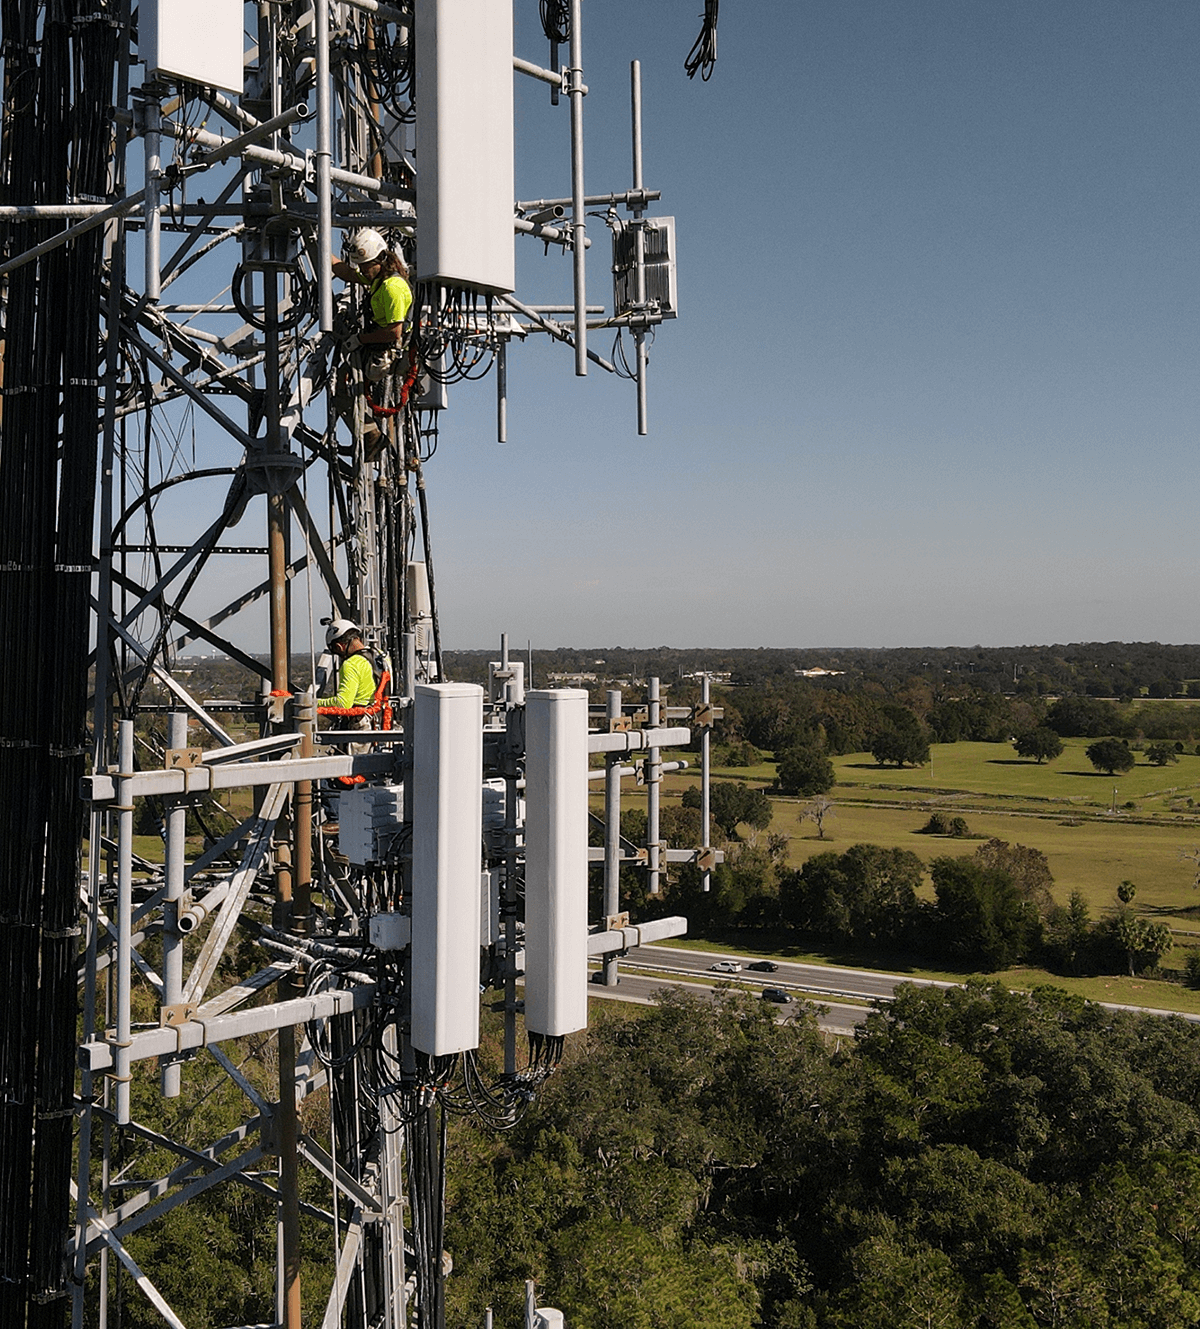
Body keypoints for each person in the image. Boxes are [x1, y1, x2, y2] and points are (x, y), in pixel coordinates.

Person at [317, 619, 377, 724]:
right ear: (357, 638)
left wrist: (313, 702)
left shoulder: (351, 664)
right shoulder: (381, 657)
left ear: (339, 647)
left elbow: (343, 703)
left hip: (361, 725)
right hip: (382, 721)